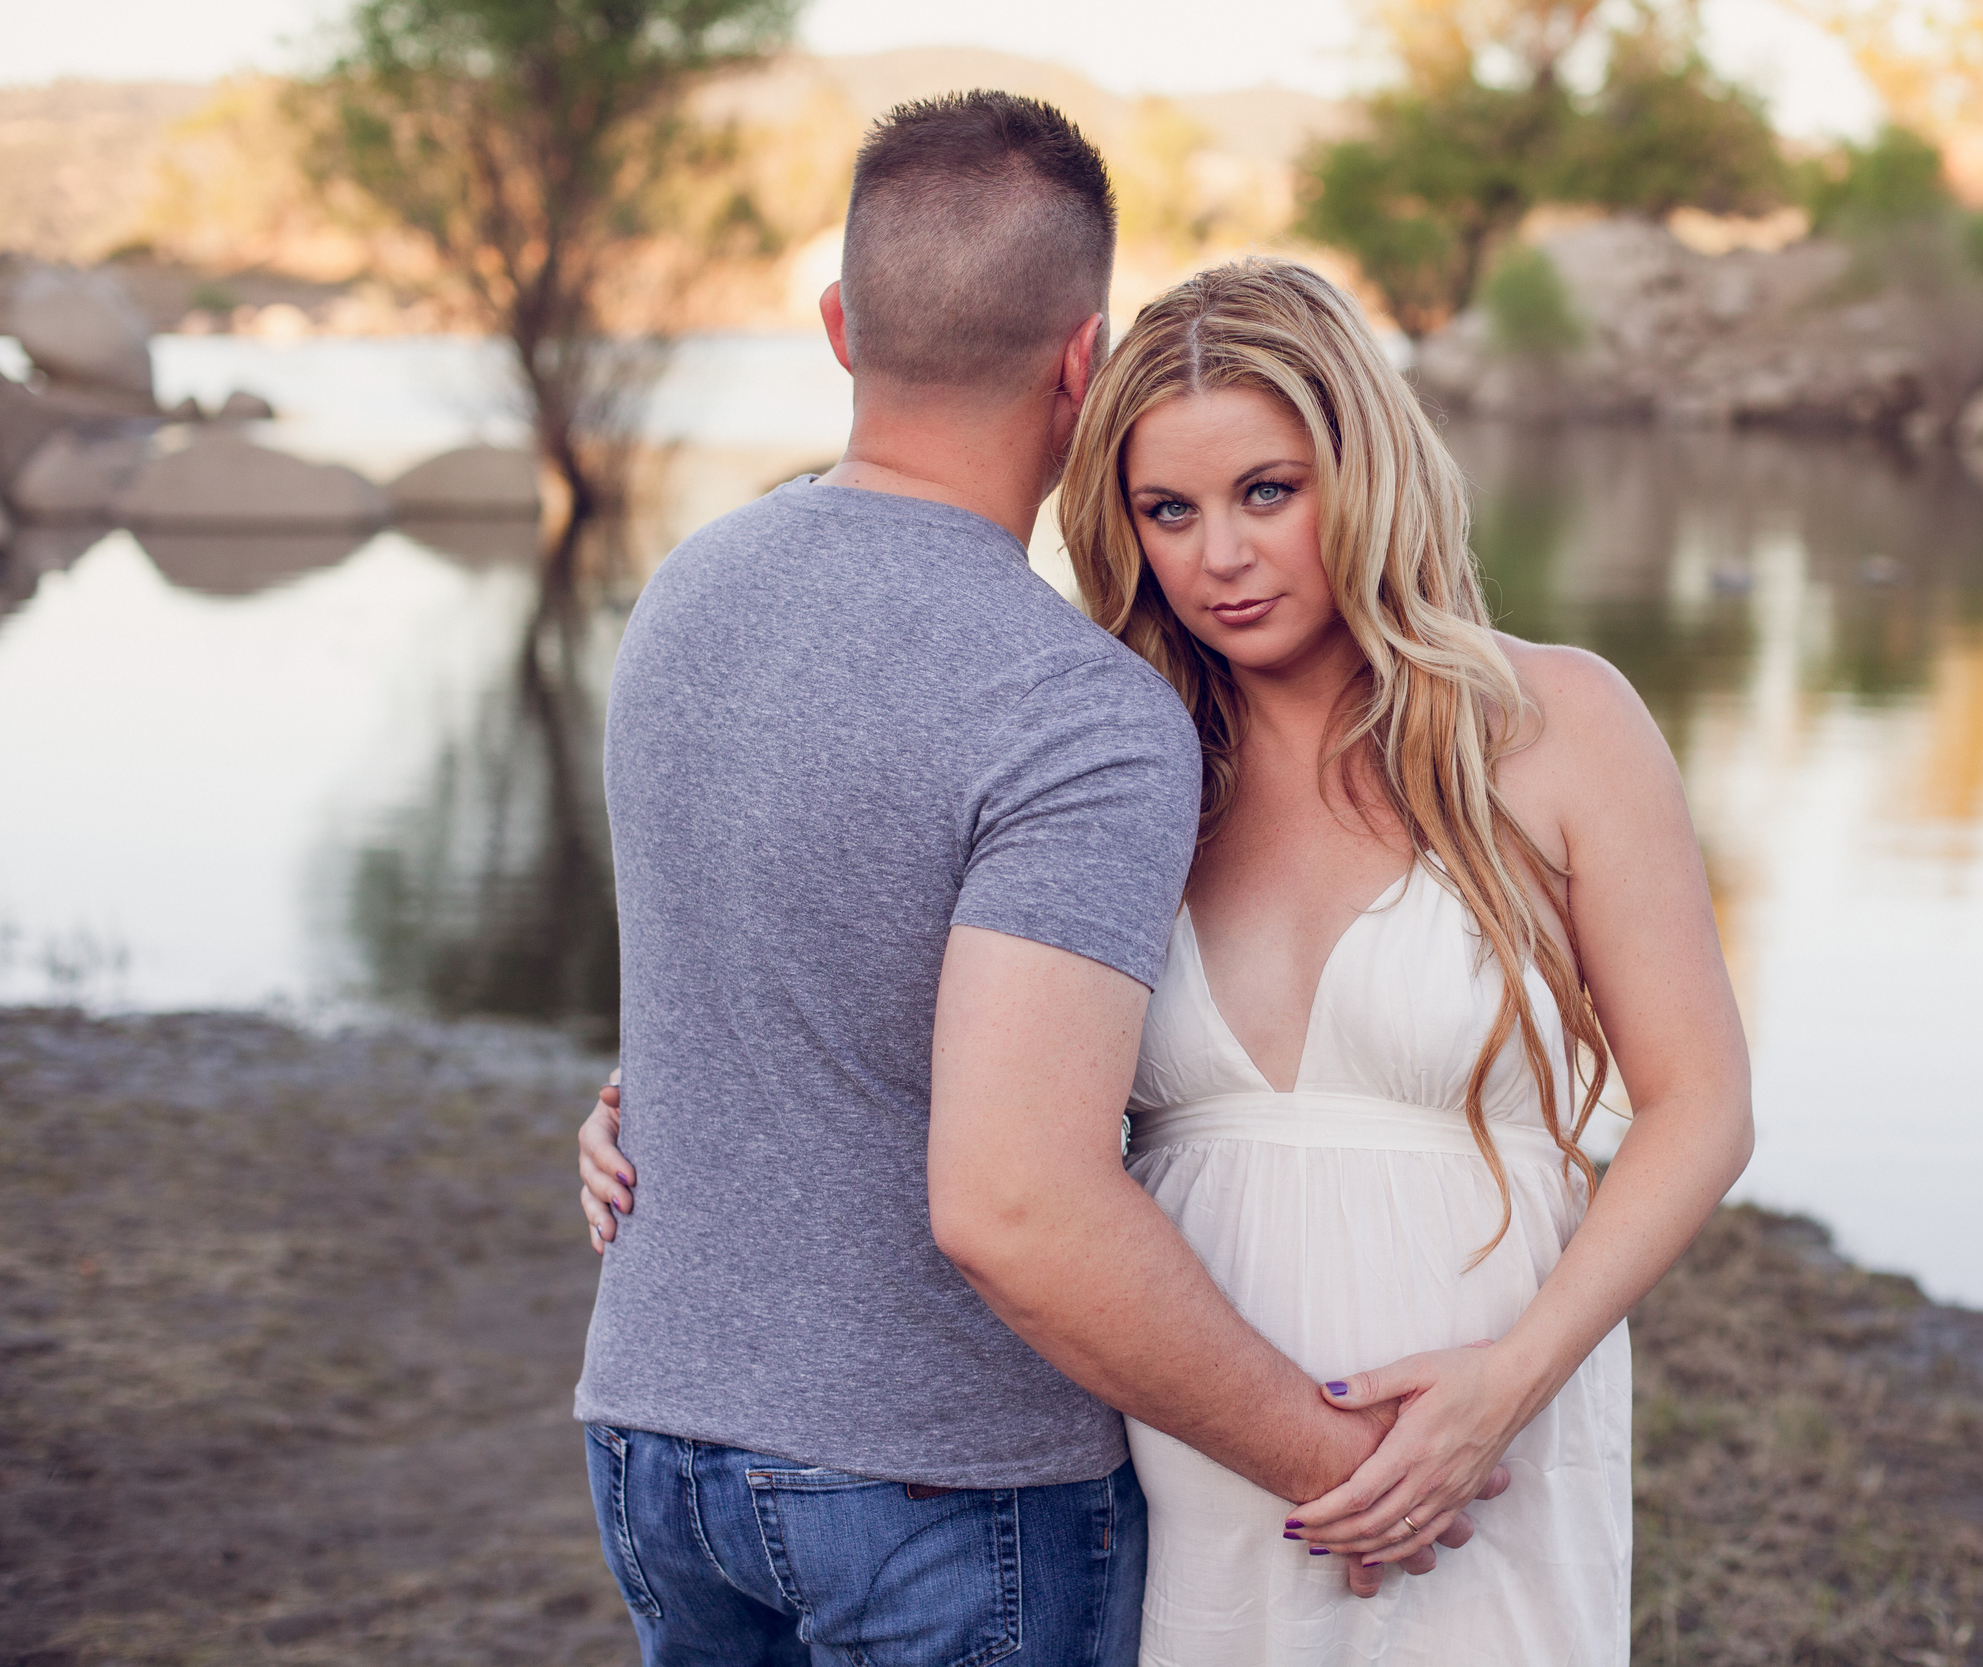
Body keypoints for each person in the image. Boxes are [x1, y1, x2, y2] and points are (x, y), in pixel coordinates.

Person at [586, 253, 1754, 1662]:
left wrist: (1510, 1383)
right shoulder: (1121, 760)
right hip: (1187, 1437)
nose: (1220, 556)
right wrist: (655, 1105)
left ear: (1364, 470)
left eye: (1269, 491)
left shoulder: (1555, 722)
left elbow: (1699, 1107)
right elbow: (921, 1038)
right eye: (1168, 509)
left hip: (1477, 1422)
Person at [571, 94, 1477, 1667]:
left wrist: (632, 1106)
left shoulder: (685, 593)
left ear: (841, 328)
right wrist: (1337, 1466)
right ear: (1085, 361)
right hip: (935, 1492)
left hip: (654, 1450)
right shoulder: (1071, 709)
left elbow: (762, 978)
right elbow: (1013, 1203)